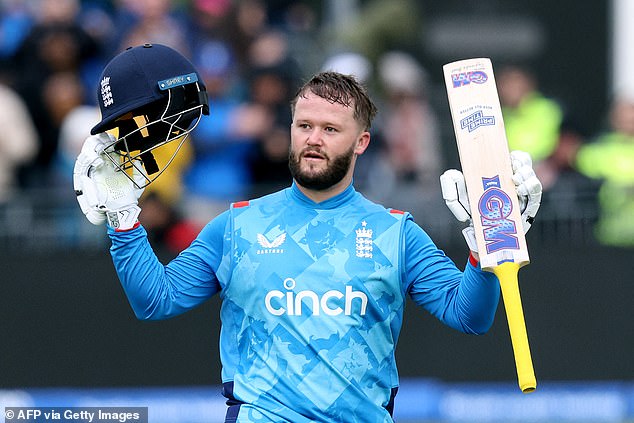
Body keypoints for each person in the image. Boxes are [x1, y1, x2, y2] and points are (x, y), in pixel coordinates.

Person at [73, 44, 542, 423]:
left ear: (361, 142)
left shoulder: (397, 234)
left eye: (330, 129)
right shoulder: (236, 226)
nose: (313, 138)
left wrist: (485, 247)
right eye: (304, 126)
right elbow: (155, 301)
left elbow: (470, 316)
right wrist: (123, 219)